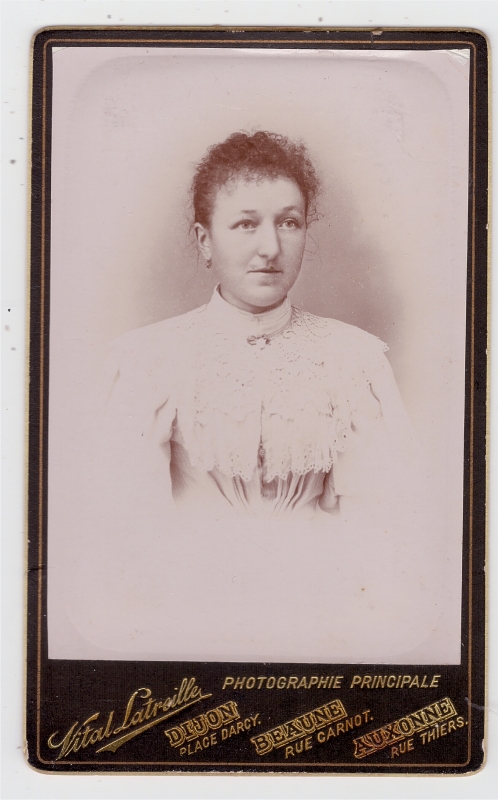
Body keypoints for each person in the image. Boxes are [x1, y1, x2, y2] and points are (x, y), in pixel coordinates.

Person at [61, 131, 437, 662]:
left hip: (322, 625)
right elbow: (123, 537)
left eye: (289, 222)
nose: (270, 248)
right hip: (184, 625)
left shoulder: (355, 360)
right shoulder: (146, 361)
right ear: (203, 239)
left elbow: (382, 530)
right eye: (245, 224)